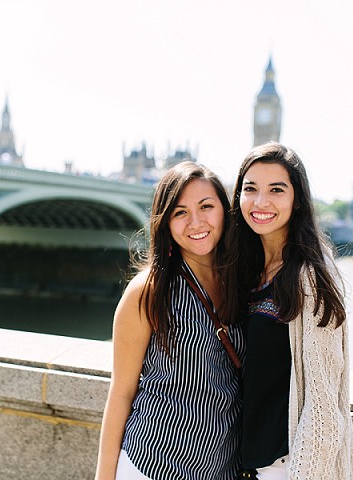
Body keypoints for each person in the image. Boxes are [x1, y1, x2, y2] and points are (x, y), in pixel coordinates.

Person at [95, 161, 244, 480]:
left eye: (207, 207)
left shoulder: (243, 285)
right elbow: (121, 395)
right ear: (165, 223)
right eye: (180, 212)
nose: (196, 222)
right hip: (152, 466)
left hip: (221, 471)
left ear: (225, 211)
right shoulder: (148, 291)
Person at [221, 142, 353, 480]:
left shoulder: (310, 278)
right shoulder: (246, 270)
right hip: (243, 467)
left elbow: (324, 407)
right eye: (250, 189)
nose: (261, 202)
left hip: (287, 469)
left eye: (276, 190)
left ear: (296, 199)